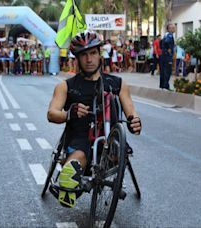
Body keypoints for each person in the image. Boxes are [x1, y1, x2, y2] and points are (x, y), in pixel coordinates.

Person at [47, 30, 142, 208]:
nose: (89, 59)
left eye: (92, 53)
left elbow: (131, 111)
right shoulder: (66, 86)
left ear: (100, 55)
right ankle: (69, 177)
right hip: (80, 134)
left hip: (110, 137)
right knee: (79, 156)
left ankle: (103, 169)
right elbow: (52, 113)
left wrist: (134, 121)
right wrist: (69, 113)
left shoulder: (118, 83)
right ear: (77, 59)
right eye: (83, 55)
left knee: (115, 152)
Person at [160, 23, 175, 90]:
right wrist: (169, 50)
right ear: (169, 29)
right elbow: (167, 42)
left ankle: (162, 85)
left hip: (163, 55)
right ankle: (166, 86)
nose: (174, 29)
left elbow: (161, 43)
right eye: (172, 28)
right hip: (167, 56)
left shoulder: (165, 35)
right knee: (167, 71)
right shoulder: (170, 35)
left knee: (163, 70)